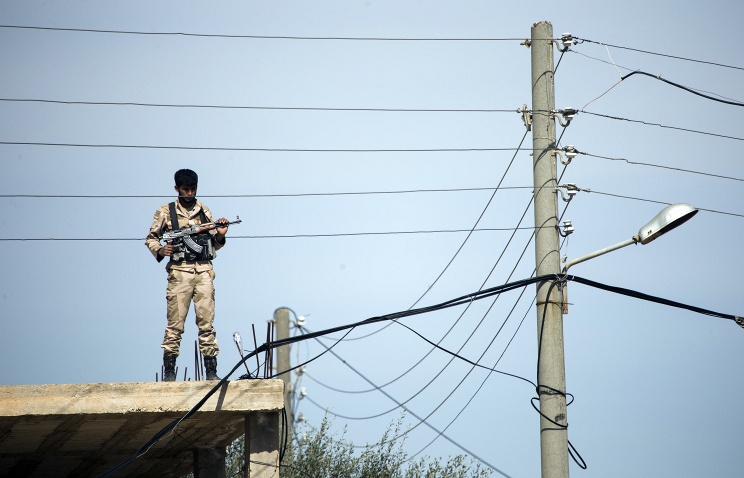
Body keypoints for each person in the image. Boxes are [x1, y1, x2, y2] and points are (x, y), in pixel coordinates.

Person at [146, 169, 230, 381]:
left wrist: (220, 235)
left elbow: (213, 245)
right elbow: (151, 238)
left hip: (203, 271)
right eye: (185, 189)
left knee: (206, 324)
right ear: (177, 189)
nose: (189, 193)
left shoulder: (204, 211)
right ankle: (169, 372)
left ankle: (211, 370)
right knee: (175, 325)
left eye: (193, 189)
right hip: (179, 272)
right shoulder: (166, 212)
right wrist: (160, 250)